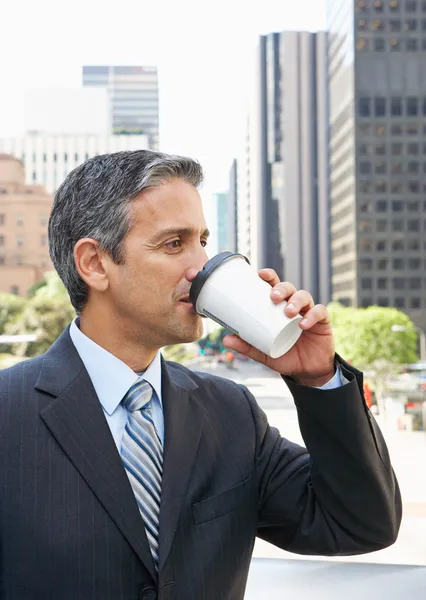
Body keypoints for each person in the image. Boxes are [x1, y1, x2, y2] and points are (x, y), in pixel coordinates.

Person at [0, 150, 401, 600]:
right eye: (174, 244)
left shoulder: (231, 413)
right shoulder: (7, 413)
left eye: (203, 242)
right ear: (94, 263)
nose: (201, 267)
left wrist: (317, 378)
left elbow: (361, 524)